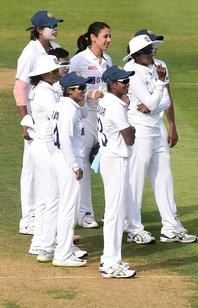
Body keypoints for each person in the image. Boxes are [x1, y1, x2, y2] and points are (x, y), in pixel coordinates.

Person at [122, 35, 196, 244]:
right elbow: (153, 101)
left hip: (156, 128)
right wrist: (158, 93)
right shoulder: (133, 72)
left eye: (152, 49)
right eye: (146, 51)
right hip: (140, 131)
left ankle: (171, 228)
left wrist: (156, 99)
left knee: (165, 178)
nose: (151, 53)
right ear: (136, 55)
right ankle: (134, 228)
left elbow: (160, 102)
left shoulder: (157, 68)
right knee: (135, 181)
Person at [14, 10, 63, 240]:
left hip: (51, 112)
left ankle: (43, 216)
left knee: (46, 168)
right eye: (49, 26)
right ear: (38, 30)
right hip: (35, 115)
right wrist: (26, 121)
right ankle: (29, 219)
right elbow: (19, 88)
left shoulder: (55, 48)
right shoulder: (30, 52)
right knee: (31, 168)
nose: (54, 28)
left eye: (55, 24)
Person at [69, 22, 113, 229]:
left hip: (103, 118)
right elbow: (67, 88)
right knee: (83, 165)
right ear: (92, 38)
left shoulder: (108, 60)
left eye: (109, 36)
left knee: (107, 164)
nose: (108, 40)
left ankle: (111, 213)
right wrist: (88, 94)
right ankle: (85, 213)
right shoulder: (79, 60)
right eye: (105, 36)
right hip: (84, 117)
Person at [97, 65, 137, 278]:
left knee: (114, 212)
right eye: (124, 81)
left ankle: (110, 258)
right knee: (115, 213)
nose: (127, 83)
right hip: (116, 159)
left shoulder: (106, 101)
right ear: (113, 84)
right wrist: (133, 130)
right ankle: (110, 262)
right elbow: (129, 138)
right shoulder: (115, 106)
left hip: (109, 157)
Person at [49, 72, 92, 267]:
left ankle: (64, 248)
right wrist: (75, 165)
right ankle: (63, 254)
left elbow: (55, 135)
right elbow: (65, 138)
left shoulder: (63, 106)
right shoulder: (69, 110)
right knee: (68, 209)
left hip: (60, 159)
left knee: (64, 208)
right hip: (68, 161)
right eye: (80, 88)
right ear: (69, 90)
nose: (84, 91)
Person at [26, 55, 63, 261]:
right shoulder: (43, 93)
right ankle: (48, 244)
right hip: (45, 146)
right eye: (54, 71)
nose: (57, 73)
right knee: (51, 198)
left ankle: (40, 241)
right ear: (44, 74)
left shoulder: (47, 89)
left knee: (44, 197)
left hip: (41, 145)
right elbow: (59, 115)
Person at [134, 29, 178, 148]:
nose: (154, 49)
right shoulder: (130, 70)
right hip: (139, 127)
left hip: (158, 125)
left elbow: (167, 98)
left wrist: (172, 126)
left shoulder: (161, 66)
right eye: (150, 46)